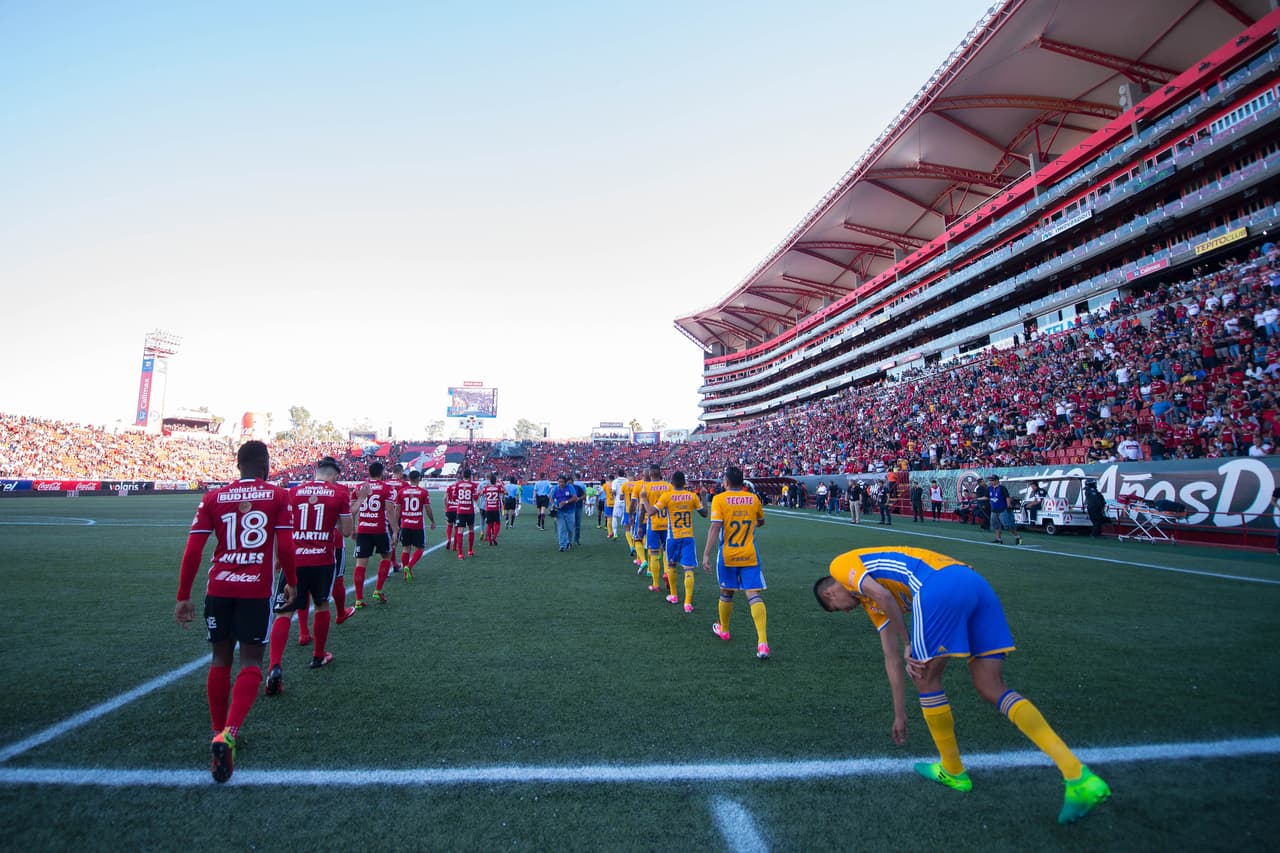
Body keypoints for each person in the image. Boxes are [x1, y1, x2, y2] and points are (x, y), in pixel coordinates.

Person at [814, 547, 1110, 825]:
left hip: (937, 585)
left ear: (830, 593)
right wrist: (899, 713)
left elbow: (885, 598)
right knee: (990, 686)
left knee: (925, 676)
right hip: (974, 582)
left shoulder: (840, 566)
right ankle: (1077, 775)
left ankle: (953, 770)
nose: (846, 612)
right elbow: (890, 659)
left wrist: (908, 642)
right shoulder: (872, 604)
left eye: (837, 608)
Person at [175, 440, 296, 784]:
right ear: (265, 466)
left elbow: (193, 550)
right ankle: (229, 732)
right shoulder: (277, 496)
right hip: (254, 589)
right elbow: (285, 545)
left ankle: (216, 731)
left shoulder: (213, 498)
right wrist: (292, 581)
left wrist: (183, 595)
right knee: (251, 662)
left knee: (219, 660)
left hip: (219, 588)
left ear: (237, 464)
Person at [265, 456, 354, 696]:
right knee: (322, 605)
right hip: (321, 559)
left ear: (316, 472)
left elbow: (279, 530)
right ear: (334, 475)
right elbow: (346, 531)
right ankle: (318, 656)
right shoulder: (338, 494)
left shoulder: (292, 493)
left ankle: (274, 666)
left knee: (285, 611)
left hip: (294, 559)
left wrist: (276, 559)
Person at [702, 466, 769, 659]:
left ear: (727, 482)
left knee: (726, 592)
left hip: (728, 555)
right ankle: (762, 642)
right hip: (749, 553)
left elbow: (715, 527)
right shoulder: (753, 499)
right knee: (753, 595)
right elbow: (761, 522)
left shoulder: (719, 499)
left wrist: (706, 554)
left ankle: (724, 629)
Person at [653, 471, 708, 611]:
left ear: (671, 482)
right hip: (688, 537)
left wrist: (645, 501)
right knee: (688, 569)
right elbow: (704, 514)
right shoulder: (691, 496)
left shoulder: (667, 496)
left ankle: (674, 595)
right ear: (684, 483)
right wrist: (703, 496)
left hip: (673, 537)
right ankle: (688, 603)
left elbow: (652, 511)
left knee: (671, 565)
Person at [352, 461, 399, 607]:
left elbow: (352, 508)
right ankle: (378, 590)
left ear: (369, 472)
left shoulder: (359, 487)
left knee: (360, 564)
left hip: (363, 529)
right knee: (386, 556)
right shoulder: (387, 488)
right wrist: (395, 530)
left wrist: (353, 528)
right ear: (382, 472)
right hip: (379, 529)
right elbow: (390, 511)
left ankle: (359, 599)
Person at [639, 465, 674, 595]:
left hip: (653, 524)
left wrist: (638, 527)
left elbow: (643, 509)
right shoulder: (669, 486)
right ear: (660, 473)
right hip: (668, 525)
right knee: (666, 552)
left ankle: (655, 584)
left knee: (654, 553)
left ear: (649, 474)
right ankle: (666, 573)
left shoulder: (646, 487)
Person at [396, 470, 436, 576]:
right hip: (417, 524)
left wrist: (396, 524)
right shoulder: (423, 492)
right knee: (420, 548)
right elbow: (428, 508)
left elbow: (397, 509)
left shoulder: (402, 491)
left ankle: (405, 573)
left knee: (406, 548)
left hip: (405, 524)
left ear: (409, 479)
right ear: (419, 479)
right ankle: (409, 566)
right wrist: (432, 521)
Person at [452, 468, 480, 558]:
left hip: (460, 510)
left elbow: (453, 497)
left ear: (463, 475)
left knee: (460, 531)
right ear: (470, 476)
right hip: (470, 510)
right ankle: (470, 551)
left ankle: (460, 553)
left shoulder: (458, 484)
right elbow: (475, 498)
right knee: (471, 529)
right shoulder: (473, 485)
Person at [987, 474, 1020, 545]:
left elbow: (1007, 497)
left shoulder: (1002, 488)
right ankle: (998, 538)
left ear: (996, 480)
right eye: (990, 480)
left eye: (992, 480)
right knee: (995, 525)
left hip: (1002, 509)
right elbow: (987, 497)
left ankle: (1017, 536)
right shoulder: (989, 488)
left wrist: (1008, 506)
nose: (991, 481)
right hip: (994, 510)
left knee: (1007, 525)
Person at [551, 475, 578, 551]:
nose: (560, 483)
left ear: (565, 482)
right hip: (560, 511)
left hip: (570, 511)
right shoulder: (555, 488)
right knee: (561, 528)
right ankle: (562, 545)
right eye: (559, 482)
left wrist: (566, 502)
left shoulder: (570, 487)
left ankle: (569, 542)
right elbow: (551, 498)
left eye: (562, 482)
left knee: (570, 529)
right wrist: (553, 504)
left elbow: (575, 497)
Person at [480, 473, 505, 546]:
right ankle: (494, 537)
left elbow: (480, 494)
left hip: (488, 509)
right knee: (497, 523)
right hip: (496, 508)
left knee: (489, 525)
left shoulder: (486, 488)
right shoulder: (498, 488)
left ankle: (490, 540)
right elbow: (506, 492)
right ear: (495, 481)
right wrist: (501, 484)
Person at [569, 473, 587, 546]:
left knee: (577, 524)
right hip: (569, 508)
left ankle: (576, 539)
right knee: (569, 524)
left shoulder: (577, 487)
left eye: (571, 482)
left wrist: (579, 498)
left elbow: (584, 495)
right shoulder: (565, 488)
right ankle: (569, 540)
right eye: (568, 483)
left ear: (573, 481)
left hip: (578, 507)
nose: (570, 484)